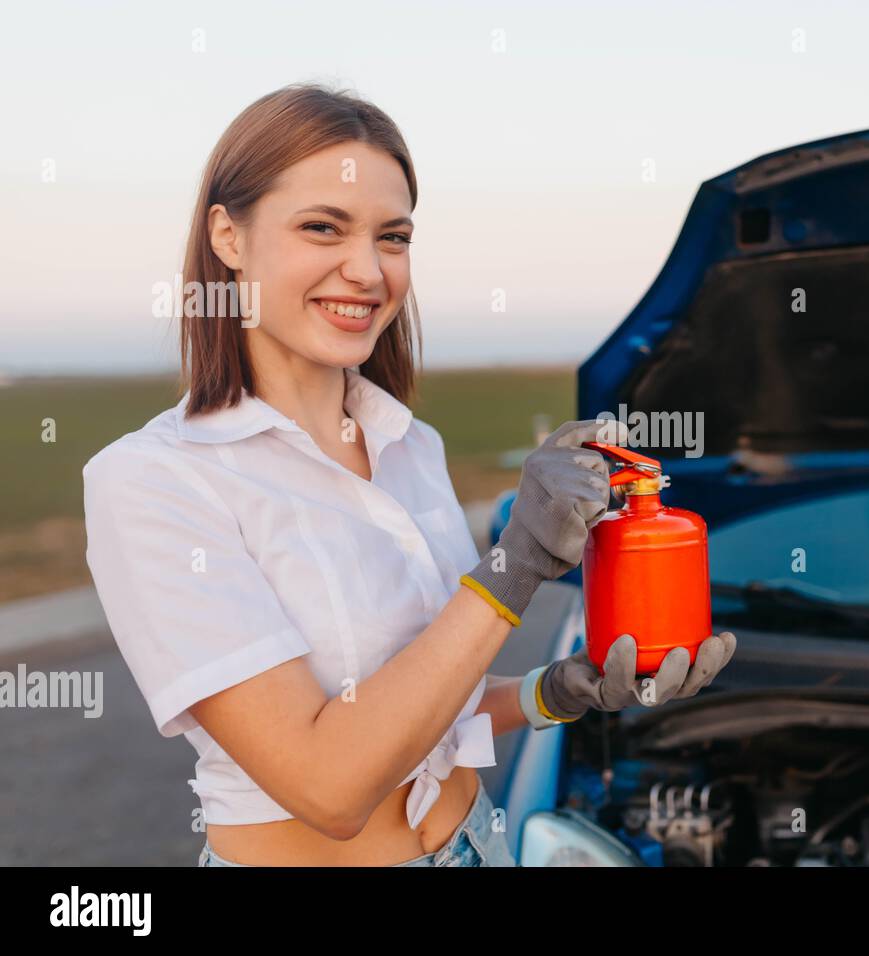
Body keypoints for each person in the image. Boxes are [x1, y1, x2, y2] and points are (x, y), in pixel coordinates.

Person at [81, 83, 736, 867]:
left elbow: (428, 715)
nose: (366, 270)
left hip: (477, 843)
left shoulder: (410, 445)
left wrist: (555, 691)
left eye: (393, 238)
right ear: (228, 235)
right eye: (323, 228)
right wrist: (514, 565)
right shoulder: (155, 482)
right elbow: (329, 785)